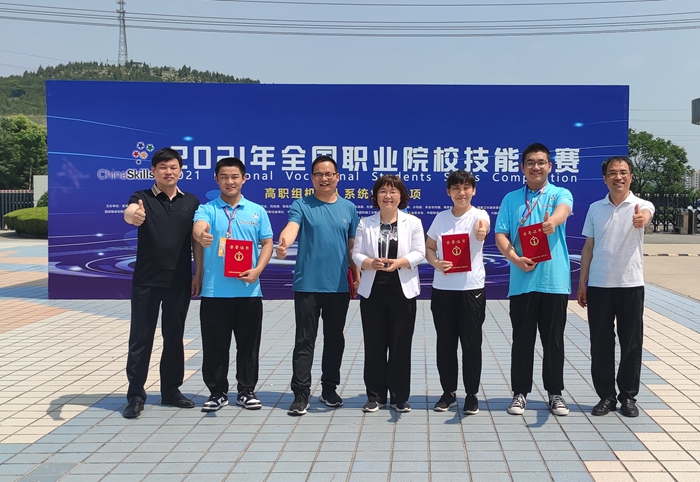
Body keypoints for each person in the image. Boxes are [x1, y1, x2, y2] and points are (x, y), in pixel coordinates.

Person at [276, 155, 360, 416]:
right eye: (318, 174)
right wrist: (284, 242)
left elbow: (352, 247)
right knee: (305, 340)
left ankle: (329, 388)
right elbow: (292, 227)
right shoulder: (301, 204)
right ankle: (301, 393)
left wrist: (356, 275)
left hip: (338, 286)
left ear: (337, 177)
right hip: (308, 285)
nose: (324, 178)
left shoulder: (349, 208)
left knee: (335, 339)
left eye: (328, 174)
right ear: (312, 178)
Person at [494, 143, 573, 417]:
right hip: (523, 280)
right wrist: (515, 259)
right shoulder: (511, 199)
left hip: (554, 280)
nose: (536, 167)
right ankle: (519, 393)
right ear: (522, 167)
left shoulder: (559, 193)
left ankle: (555, 393)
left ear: (550, 166)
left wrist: (553, 222)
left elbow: (564, 209)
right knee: (522, 341)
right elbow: (501, 234)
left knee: (553, 341)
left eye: (541, 162)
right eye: (530, 162)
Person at [122, 147, 201, 419]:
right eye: (163, 167)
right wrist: (133, 215)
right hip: (146, 281)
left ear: (181, 171)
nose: (169, 172)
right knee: (140, 338)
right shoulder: (141, 197)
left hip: (179, 281)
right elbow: (130, 212)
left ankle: (171, 390)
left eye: (173, 167)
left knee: (174, 337)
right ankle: (135, 395)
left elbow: (195, 239)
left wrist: (198, 274)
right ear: (153, 171)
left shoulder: (190, 201)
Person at [192, 157, 273, 412]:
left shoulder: (257, 211)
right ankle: (217, 392)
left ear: (244, 179)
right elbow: (198, 228)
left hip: (248, 290)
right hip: (215, 291)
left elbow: (267, 242)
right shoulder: (207, 209)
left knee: (248, 345)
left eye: (235, 177)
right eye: (224, 177)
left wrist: (258, 270)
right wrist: (201, 234)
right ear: (216, 180)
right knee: (214, 345)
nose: (230, 181)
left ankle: (246, 391)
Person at [577, 156, 654, 418]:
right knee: (600, 343)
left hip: (630, 284)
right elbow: (588, 247)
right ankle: (606, 397)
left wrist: (642, 219)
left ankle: (628, 397)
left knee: (631, 343)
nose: (618, 177)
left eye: (623, 172)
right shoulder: (595, 208)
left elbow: (646, 215)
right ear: (604, 179)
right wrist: (582, 282)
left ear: (630, 176)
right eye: (612, 173)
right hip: (599, 285)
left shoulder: (641, 205)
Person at [352, 175, 425, 413]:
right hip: (373, 291)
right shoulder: (365, 223)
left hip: (402, 290)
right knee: (374, 344)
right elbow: (356, 254)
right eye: (383, 191)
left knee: (400, 344)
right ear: (376, 196)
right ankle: (375, 396)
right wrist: (370, 263)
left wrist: (400, 262)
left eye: (393, 192)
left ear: (401, 196)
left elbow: (419, 253)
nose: (388, 196)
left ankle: (399, 396)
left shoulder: (412, 222)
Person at [426, 170, 489, 415]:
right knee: (445, 343)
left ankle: (471, 394)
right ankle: (448, 393)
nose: (461, 193)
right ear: (448, 192)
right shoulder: (441, 218)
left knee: (471, 343)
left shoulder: (479, 215)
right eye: (456, 188)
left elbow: (483, 228)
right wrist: (436, 263)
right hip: (443, 290)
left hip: (471, 289)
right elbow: (430, 247)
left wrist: (481, 232)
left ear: (473, 190)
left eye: (466, 188)